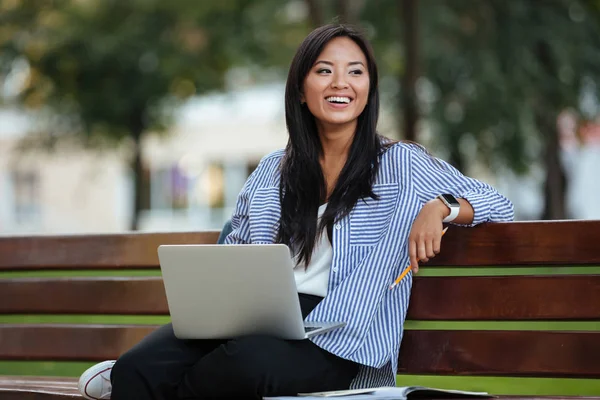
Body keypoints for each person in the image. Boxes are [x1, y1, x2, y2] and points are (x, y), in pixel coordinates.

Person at [78, 23, 514, 400]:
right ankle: (130, 380)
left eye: (355, 72)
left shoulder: (402, 164)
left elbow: (499, 203)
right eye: (324, 71)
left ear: (368, 90)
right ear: (302, 91)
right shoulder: (272, 170)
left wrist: (442, 206)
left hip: (335, 336)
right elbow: (234, 250)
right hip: (251, 317)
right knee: (137, 368)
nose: (340, 83)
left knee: (237, 368)